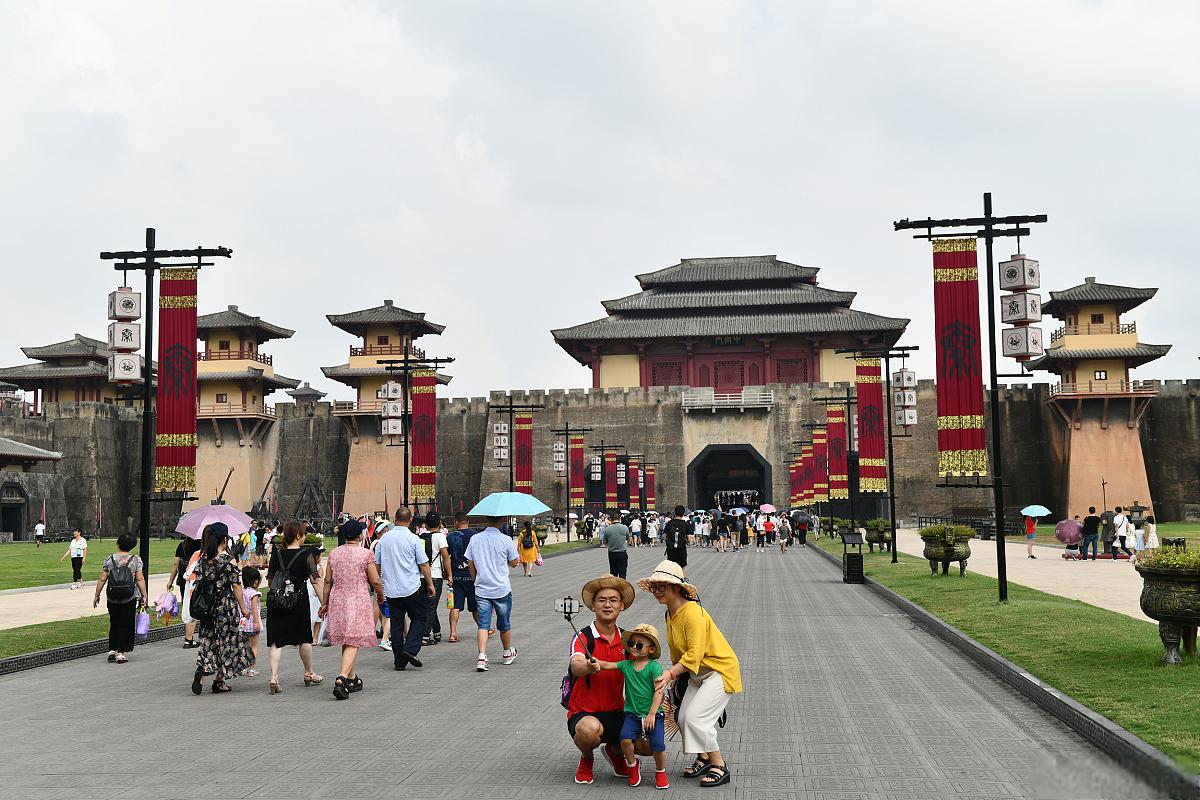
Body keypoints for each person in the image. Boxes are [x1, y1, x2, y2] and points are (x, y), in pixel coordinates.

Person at [640, 560, 741, 788]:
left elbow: (694, 655)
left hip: (719, 670)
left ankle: (719, 765)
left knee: (696, 719)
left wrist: (670, 674)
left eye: (662, 586)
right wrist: (675, 678)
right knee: (684, 718)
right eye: (654, 587)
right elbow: (679, 653)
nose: (657, 592)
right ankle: (704, 758)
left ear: (677, 587)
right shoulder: (670, 613)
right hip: (695, 674)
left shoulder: (692, 613)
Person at [566, 574, 635, 786]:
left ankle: (615, 751)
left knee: (648, 741)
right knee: (589, 731)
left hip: (616, 711)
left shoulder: (628, 640)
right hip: (584, 713)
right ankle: (587, 758)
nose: (608, 605)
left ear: (621, 606)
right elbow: (575, 664)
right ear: (593, 605)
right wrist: (588, 666)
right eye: (602, 600)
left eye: (613, 600)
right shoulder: (583, 637)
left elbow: (641, 671)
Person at [592, 623, 669, 789]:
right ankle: (632, 767)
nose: (634, 647)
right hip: (632, 714)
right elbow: (609, 665)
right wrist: (597, 662)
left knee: (658, 745)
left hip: (653, 714)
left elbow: (659, 692)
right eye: (632, 643)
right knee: (625, 739)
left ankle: (660, 771)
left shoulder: (654, 667)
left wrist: (652, 713)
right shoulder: (627, 665)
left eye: (639, 645)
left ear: (650, 649)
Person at [320, 519, 385, 700]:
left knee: (348, 639)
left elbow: (327, 581)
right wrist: (380, 595)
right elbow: (375, 580)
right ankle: (341, 678)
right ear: (359, 535)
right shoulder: (365, 554)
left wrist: (324, 603)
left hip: (337, 600)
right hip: (357, 599)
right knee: (354, 639)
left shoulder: (334, 554)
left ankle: (351, 677)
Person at [191, 523, 252, 694]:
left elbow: (197, 581)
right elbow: (236, 586)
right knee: (226, 642)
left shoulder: (203, 559)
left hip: (207, 609)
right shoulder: (228, 560)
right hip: (225, 607)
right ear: (225, 539)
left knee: (207, 639)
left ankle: (202, 670)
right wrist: (243, 607)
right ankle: (219, 680)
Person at [266, 520, 324, 693]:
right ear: (298, 535)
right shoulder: (306, 555)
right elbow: (316, 581)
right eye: (303, 533)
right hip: (299, 603)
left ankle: (274, 676)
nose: (304, 536)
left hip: (278, 603)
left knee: (277, 641)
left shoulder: (276, 555)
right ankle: (309, 672)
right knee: (304, 639)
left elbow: (270, 581)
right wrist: (324, 603)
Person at [375, 507, 436, 671]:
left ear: (395, 519)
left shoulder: (384, 540)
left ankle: (399, 662)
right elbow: (423, 564)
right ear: (410, 521)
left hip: (391, 589)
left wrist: (378, 586)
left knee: (396, 624)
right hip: (411, 587)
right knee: (419, 618)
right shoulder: (413, 539)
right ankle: (409, 649)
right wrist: (430, 584)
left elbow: (377, 565)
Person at [464, 514, 519, 672]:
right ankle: (507, 652)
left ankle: (482, 656)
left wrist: (475, 579)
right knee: (504, 623)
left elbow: (470, 562)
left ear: (486, 520)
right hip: (501, 588)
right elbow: (515, 563)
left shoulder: (475, 539)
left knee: (483, 624)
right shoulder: (506, 540)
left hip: (482, 588)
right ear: (501, 521)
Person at [92, 532, 147, 664]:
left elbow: (102, 578)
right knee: (126, 623)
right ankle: (121, 653)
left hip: (112, 596)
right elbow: (139, 579)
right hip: (129, 596)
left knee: (114, 622)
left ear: (118, 544)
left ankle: (112, 649)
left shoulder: (109, 559)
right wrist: (144, 595)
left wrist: (97, 594)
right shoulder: (135, 560)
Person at [419, 512, 452, 645]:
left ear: (425, 524)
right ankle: (425, 635)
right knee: (431, 606)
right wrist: (449, 575)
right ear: (439, 524)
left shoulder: (420, 537)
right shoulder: (440, 537)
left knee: (428, 605)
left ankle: (437, 631)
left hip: (421, 576)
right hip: (435, 576)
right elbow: (445, 556)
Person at [446, 512, 478, 643]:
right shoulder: (475, 536)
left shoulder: (450, 536)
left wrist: (449, 575)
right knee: (475, 606)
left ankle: (453, 633)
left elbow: (445, 557)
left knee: (455, 606)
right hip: (472, 577)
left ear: (456, 522)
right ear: (467, 522)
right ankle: (484, 628)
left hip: (456, 577)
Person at [239, 565, 263, 677]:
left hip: (243, 623)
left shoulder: (242, 592)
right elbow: (254, 610)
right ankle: (252, 668)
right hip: (253, 623)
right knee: (254, 646)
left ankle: (243, 667)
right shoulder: (254, 594)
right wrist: (257, 622)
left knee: (244, 646)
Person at [599, 512, 630, 579]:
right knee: (622, 573)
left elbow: (605, 542)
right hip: (622, 552)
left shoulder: (607, 529)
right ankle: (622, 587)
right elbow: (628, 539)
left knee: (613, 573)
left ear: (611, 519)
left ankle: (614, 588)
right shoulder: (625, 528)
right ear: (619, 518)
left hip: (612, 553)